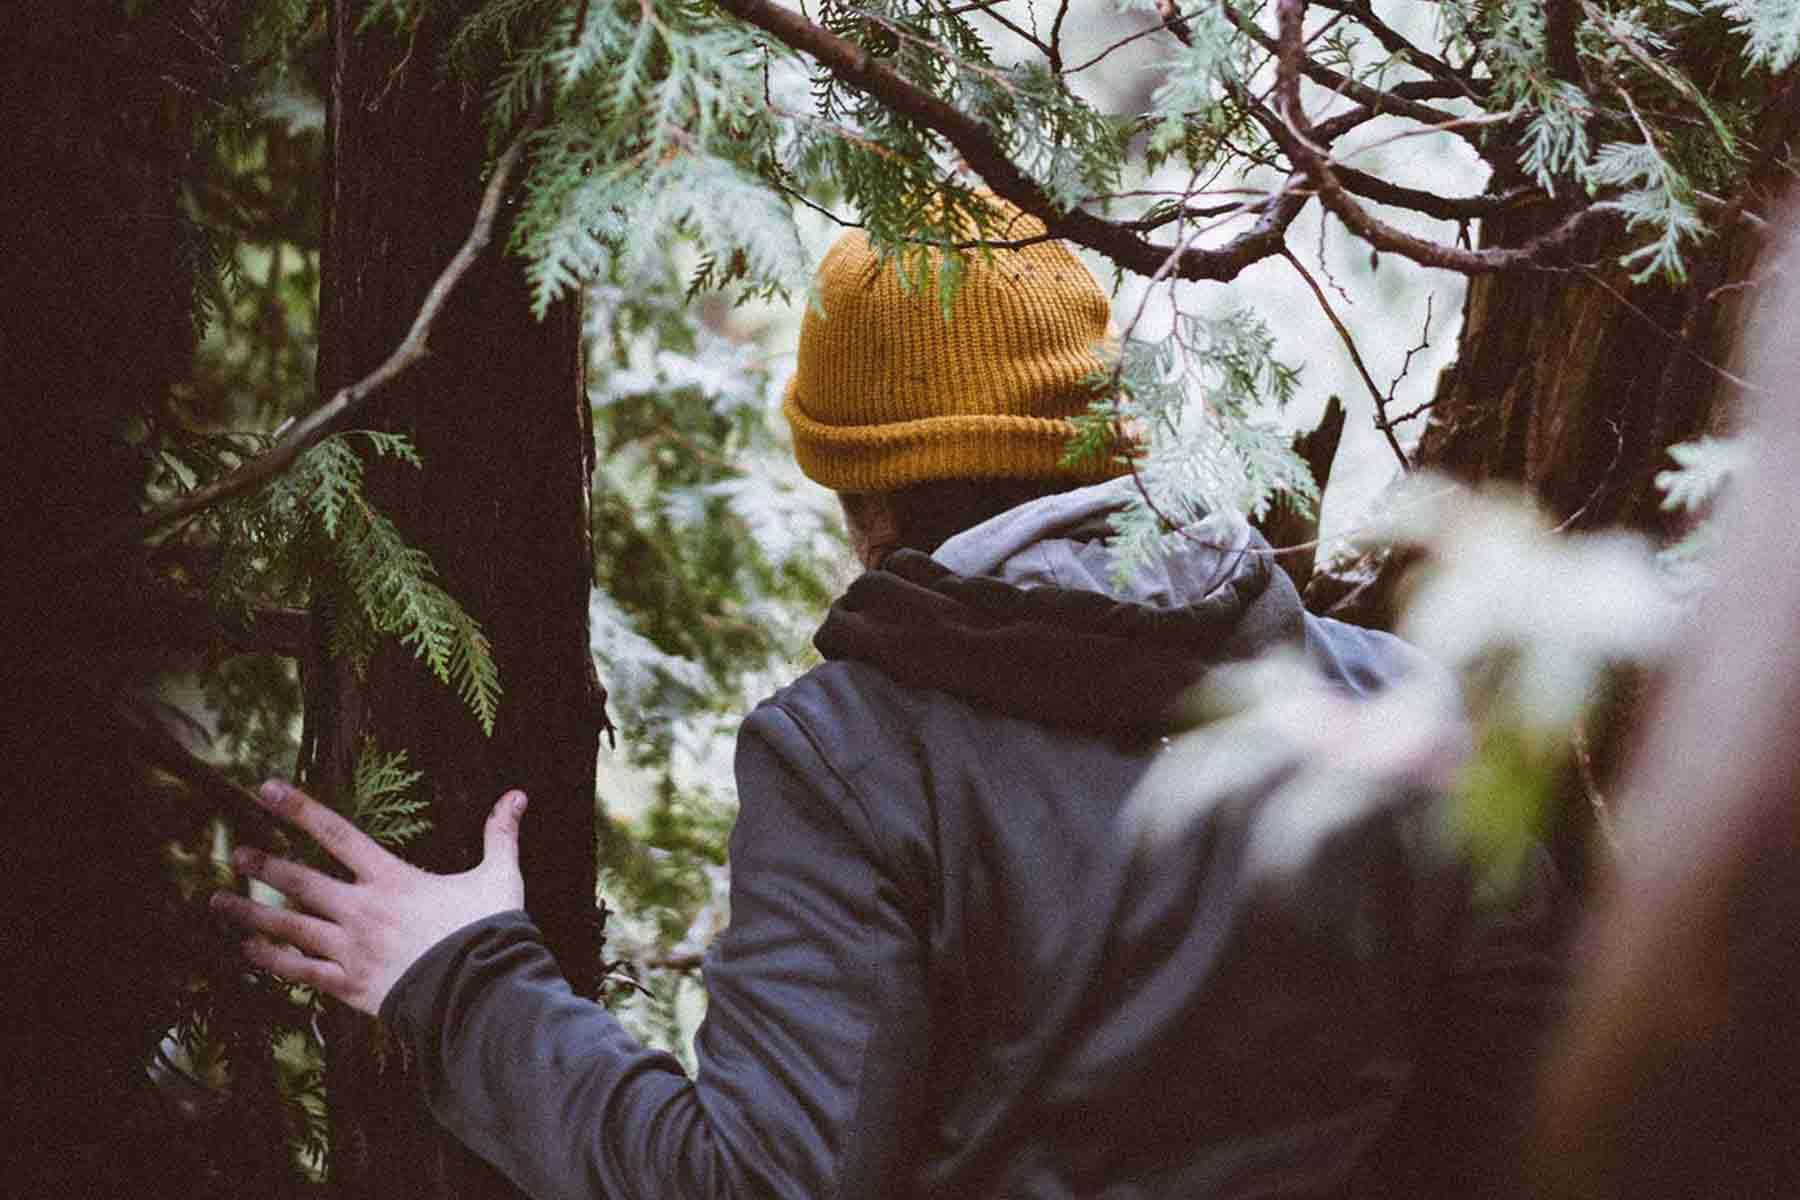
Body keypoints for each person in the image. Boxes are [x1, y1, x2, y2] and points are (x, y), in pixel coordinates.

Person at [213, 195, 1562, 1199]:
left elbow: (755, 1186)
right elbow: (1531, 1100)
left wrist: (461, 981)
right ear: (1110, 436)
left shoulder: (852, 763)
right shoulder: (1402, 703)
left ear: (862, 492)